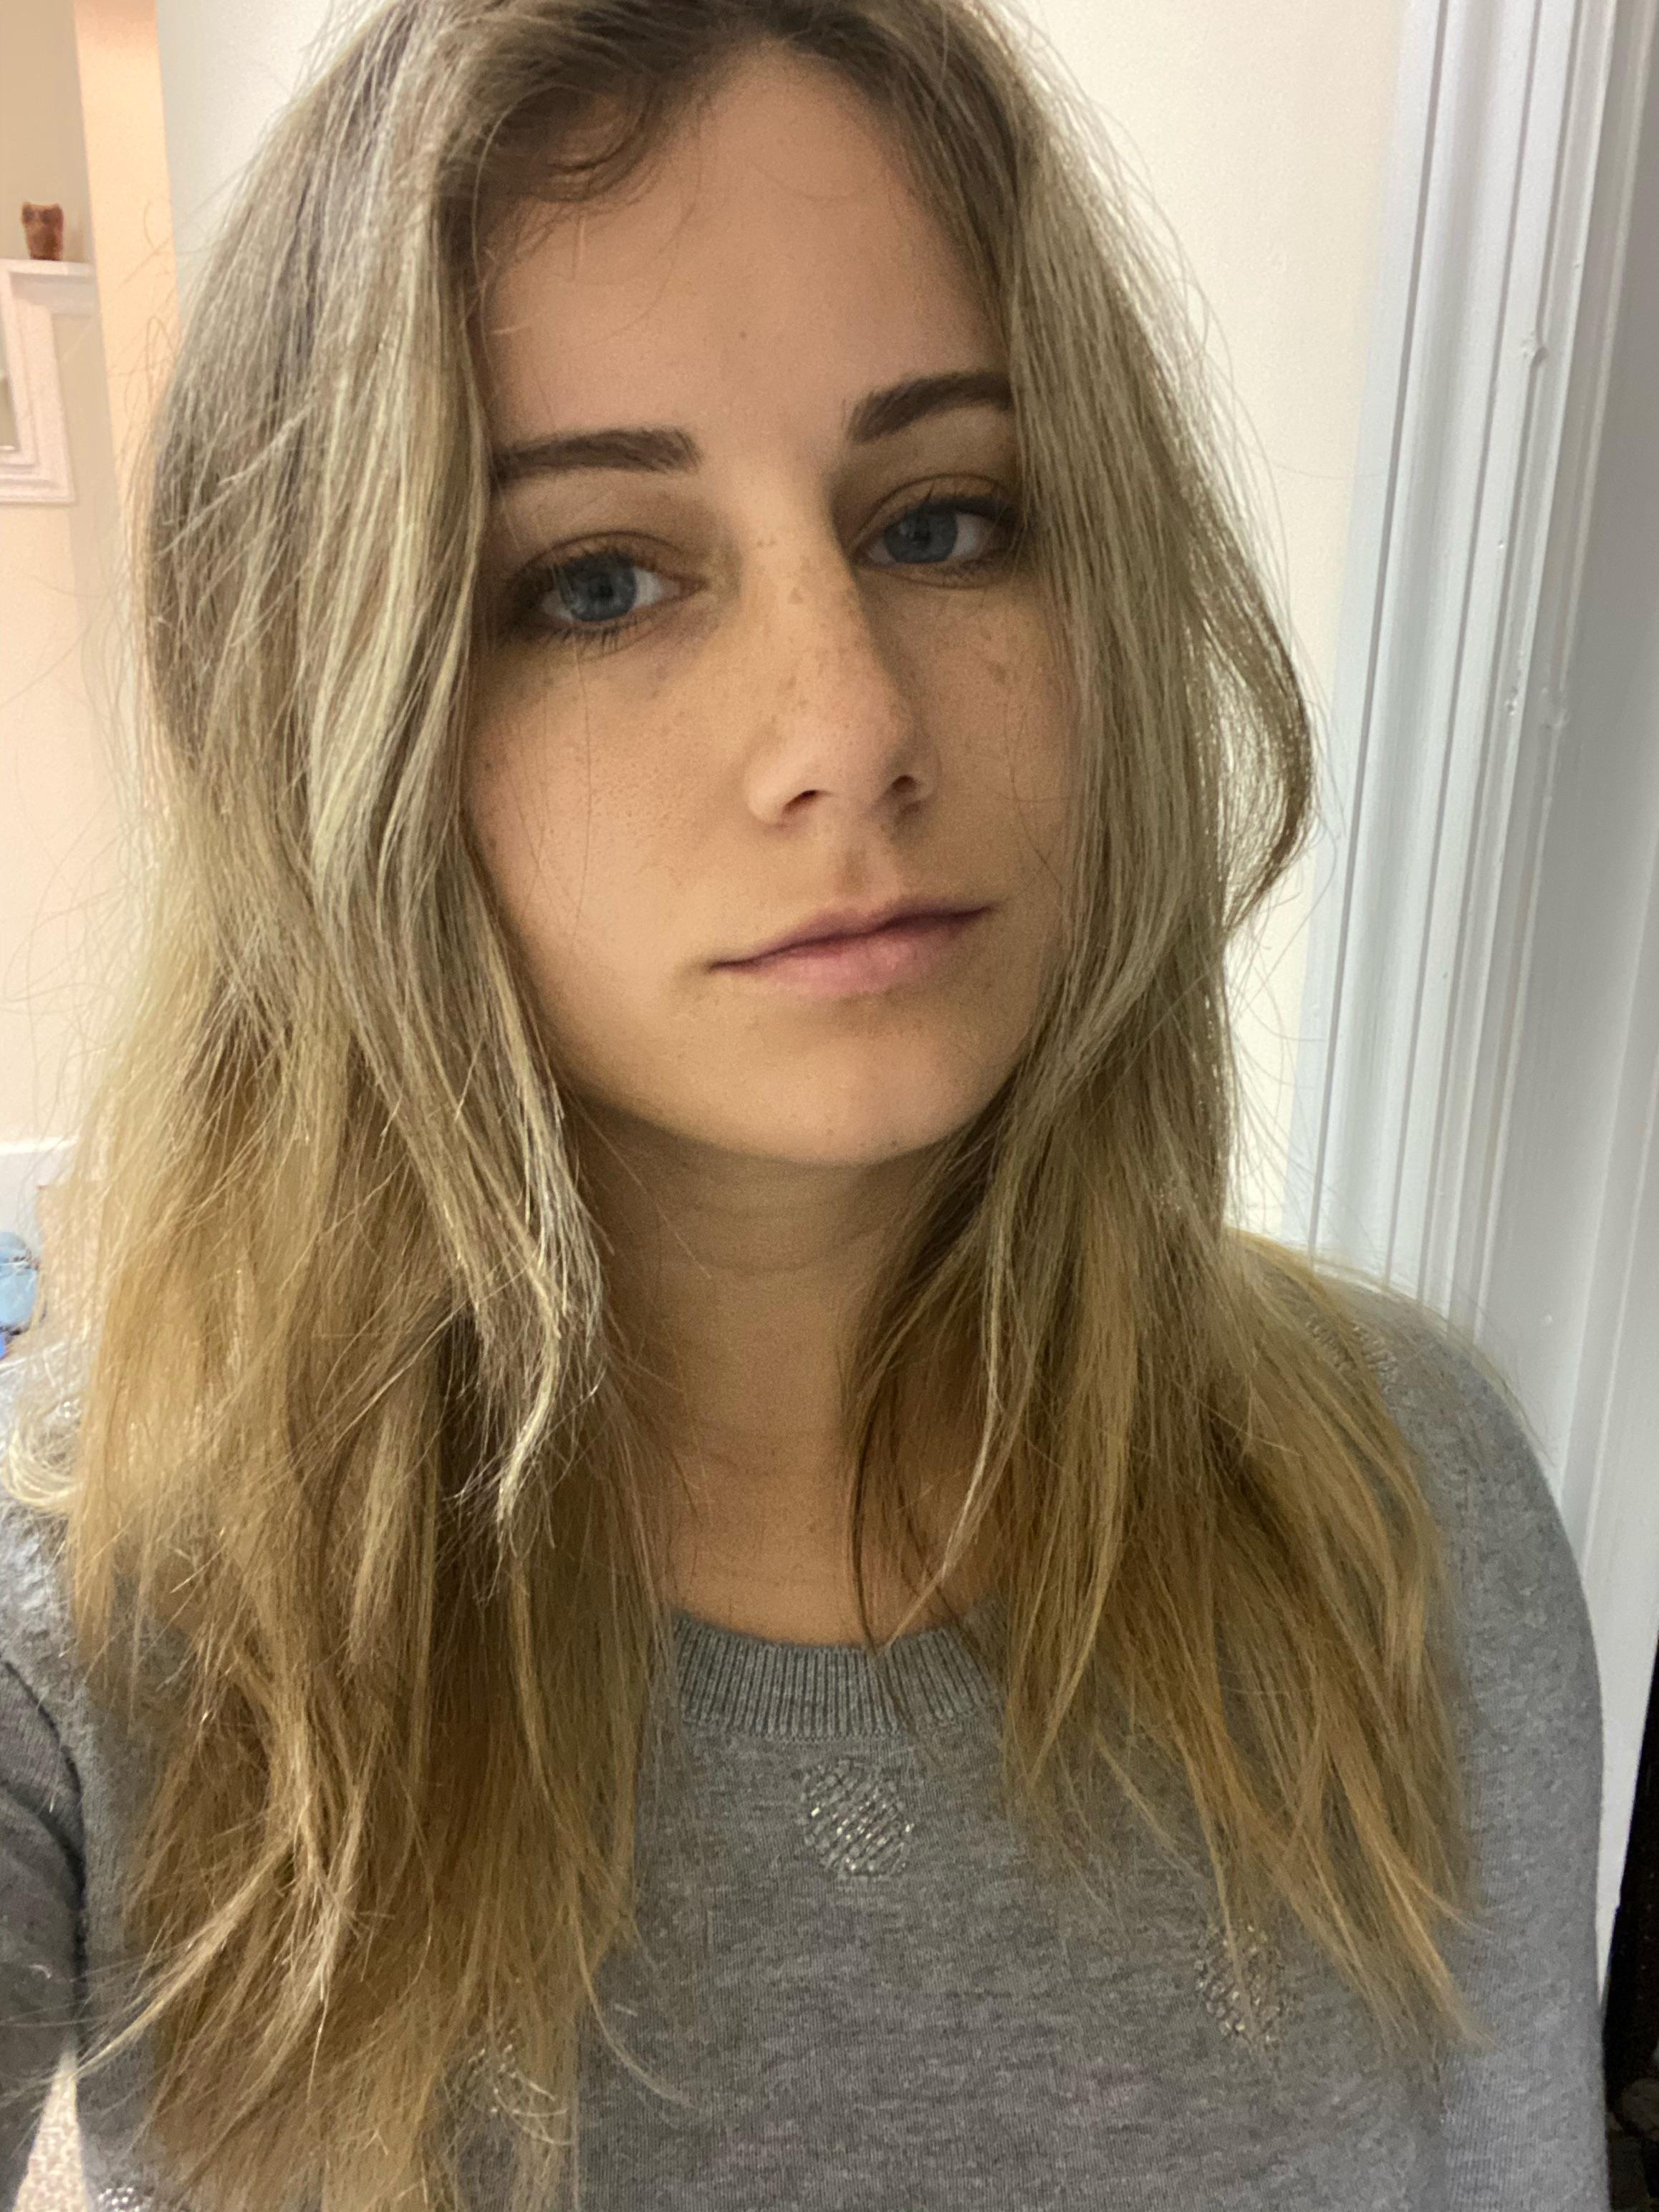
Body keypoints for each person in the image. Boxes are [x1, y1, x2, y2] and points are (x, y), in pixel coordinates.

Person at [0, 1, 1606, 2207]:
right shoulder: (92, 1615)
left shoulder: (1402, 1501)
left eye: (942, 522)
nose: (846, 722)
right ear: (330, 709)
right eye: (594, 582)